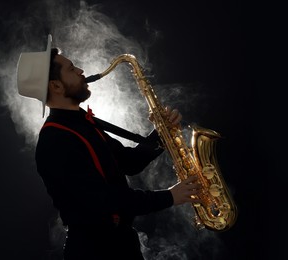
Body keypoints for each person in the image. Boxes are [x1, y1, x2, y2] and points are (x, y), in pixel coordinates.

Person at [17, 35, 202, 260]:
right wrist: (169, 197)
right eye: (72, 68)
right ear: (55, 85)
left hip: (119, 243)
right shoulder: (55, 141)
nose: (81, 70)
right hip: (95, 251)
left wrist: (163, 132)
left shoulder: (83, 122)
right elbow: (106, 200)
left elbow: (128, 163)